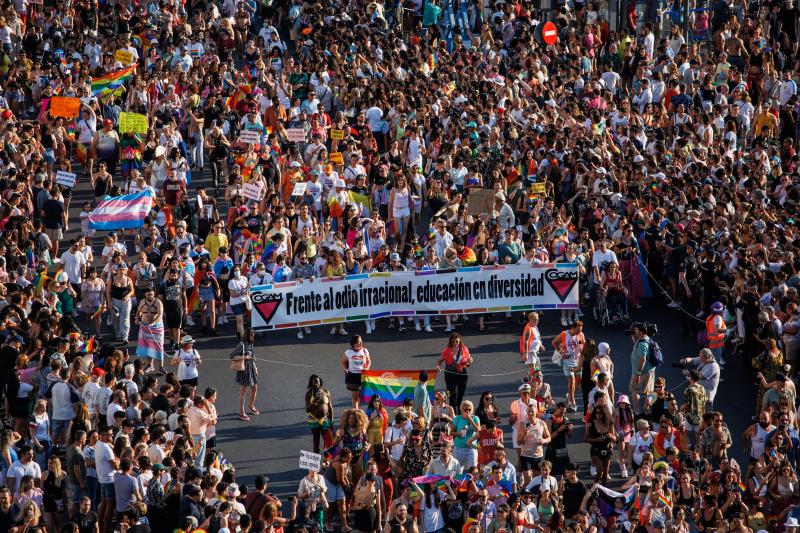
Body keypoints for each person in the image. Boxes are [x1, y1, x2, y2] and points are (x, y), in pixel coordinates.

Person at [552, 321, 585, 412]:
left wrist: (581, 348)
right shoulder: (564, 334)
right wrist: (561, 352)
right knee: (571, 381)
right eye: (578, 330)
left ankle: (570, 395)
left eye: (581, 330)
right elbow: (554, 342)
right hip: (567, 362)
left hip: (577, 361)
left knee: (577, 383)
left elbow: (582, 344)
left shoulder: (580, 335)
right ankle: (572, 401)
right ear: (573, 328)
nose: (579, 332)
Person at [436, 333, 473, 408]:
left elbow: (469, 359)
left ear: (460, 341)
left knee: (461, 393)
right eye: (453, 341)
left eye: (457, 341)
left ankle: (459, 408)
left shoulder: (464, 349)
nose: (455, 343)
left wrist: (470, 361)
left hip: (462, 372)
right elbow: (440, 361)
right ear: (451, 342)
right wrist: (438, 366)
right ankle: (453, 412)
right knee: (452, 395)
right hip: (451, 373)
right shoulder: (447, 351)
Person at [231, 328, 259, 421]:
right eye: (253, 334)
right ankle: (241, 412)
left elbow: (252, 357)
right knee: (244, 391)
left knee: (255, 388)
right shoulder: (241, 344)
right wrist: (243, 357)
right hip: (244, 369)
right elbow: (232, 356)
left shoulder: (251, 344)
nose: (254, 335)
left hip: (251, 368)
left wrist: (255, 367)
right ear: (249, 335)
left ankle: (250, 405)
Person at [135, 287, 165, 374]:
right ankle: (149, 365)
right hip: (145, 327)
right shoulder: (142, 302)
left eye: (152, 294)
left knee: (159, 347)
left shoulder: (158, 302)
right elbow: (138, 312)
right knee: (148, 346)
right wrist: (136, 318)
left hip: (156, 328)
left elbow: (160, 314)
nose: (150, 296)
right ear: (145, 295)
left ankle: (161, 367)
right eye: (148, 294)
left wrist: (153, 323)